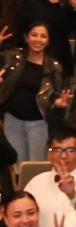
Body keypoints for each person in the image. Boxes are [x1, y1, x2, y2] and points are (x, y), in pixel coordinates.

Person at [0, 23, 63, 163]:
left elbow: (56, 96)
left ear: (48, 41)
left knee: (36, 166)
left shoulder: (54, 67)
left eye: (43, 36)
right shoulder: (12, 57)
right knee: (17, 165)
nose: (38, 39)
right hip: (12, 120)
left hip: (38, 123)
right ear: (26, 38)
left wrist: (58, 103)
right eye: (34, 35)